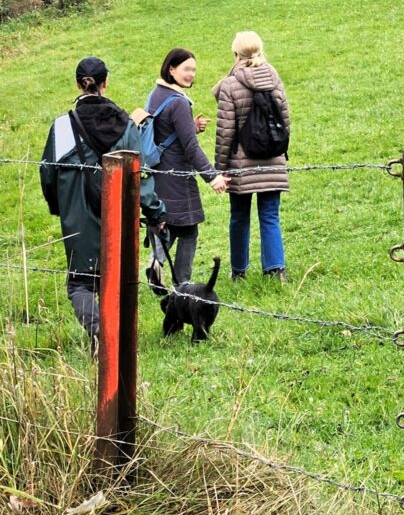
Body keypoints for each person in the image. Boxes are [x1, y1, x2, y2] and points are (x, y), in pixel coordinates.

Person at [41, 56, 167, 348]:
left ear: (78, 84)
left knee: (81, 283)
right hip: (118, 212)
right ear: (105, 82)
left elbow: (47, 174)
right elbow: (140, 175)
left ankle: (100, 332)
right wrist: (155, 212)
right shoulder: (125, 124)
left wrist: (60, 207)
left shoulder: (62, 126)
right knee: (117, 278)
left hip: (77, 212)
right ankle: (116, 340)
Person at [145, 48, 227, 285]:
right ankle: (181, 283)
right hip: (178, 176)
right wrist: (212, 176)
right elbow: (191, 148)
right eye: (186, 69)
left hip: (159, 173)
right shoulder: (179, 102)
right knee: (189, 230)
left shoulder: (156, 94)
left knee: (171, 222)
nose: (191, 74)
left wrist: (190, 126)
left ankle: (156, 263)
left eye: (193, 70)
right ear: (171, 70)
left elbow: (164, 129)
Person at [213, 31, 291, 282]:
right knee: (270, 215)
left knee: (239, 216)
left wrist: (220, 168)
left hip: (240, 161)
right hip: (272, 158)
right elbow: (285, 121)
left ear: (236, 54)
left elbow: (225, 131)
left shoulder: (229, 85)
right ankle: (276, 270)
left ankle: (239, 271)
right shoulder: (274, 77)